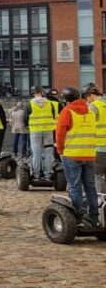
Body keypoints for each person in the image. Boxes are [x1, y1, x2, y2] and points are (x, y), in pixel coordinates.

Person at [56, 87, 100, 226]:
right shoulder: (90, 111)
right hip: (89, 154)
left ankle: (78, 217)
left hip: (72, 154)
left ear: (66, 99)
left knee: (75, 187)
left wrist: (60, 149)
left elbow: (60, 133)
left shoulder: (67, 111)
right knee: (90, 187)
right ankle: (94, 217)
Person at [24, 86, 56, 179]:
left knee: (36, 153)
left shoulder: (29, 104)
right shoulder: (50, 103)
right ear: (42, 93)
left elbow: (25, 118)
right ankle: (47, 175)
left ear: (33, 93)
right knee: (48, 152)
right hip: (48, 131)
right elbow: (53, 116)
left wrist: (29, 125)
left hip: (35, 131)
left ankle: (36, 174)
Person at [82, 83, 106, 193]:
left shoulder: (94, 106)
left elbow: (86, 125)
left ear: (91, 94)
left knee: (97, 175)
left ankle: (100, 203)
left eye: (86, 96)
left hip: (100, 147)